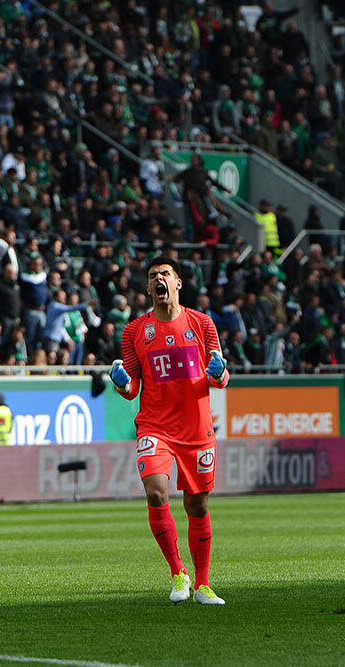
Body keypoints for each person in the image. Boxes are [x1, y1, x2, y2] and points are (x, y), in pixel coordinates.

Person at [109, 256, 229, 605]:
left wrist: (219, 371)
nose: (159, 279)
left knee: (197, 505)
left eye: (165, 274)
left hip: (196, 427)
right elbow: (132, 388)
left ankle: (203, 584)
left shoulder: (202, 323)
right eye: (152, 276)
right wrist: (121, 384)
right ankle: (179, 573)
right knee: (156, 493)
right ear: (149, 288)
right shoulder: (134, 331)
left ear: (178, 283)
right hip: (155, 425)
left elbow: (219, 380)